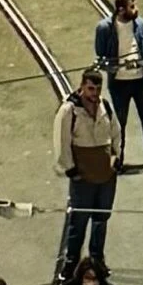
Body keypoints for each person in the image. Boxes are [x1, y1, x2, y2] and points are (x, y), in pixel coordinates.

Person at [53, 68, 119, 265]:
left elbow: (116, 132)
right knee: (78, 220)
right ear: (82, 86)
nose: (94, 93)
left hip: (105, 176)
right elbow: (62, 141)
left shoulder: (105, 106)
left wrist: (116, 158)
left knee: (101, 219)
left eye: (98, 89)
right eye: (90, 88)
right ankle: (71, 261)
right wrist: (70, 169)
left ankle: (97, 259)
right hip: (83, 176)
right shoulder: (69, 110)